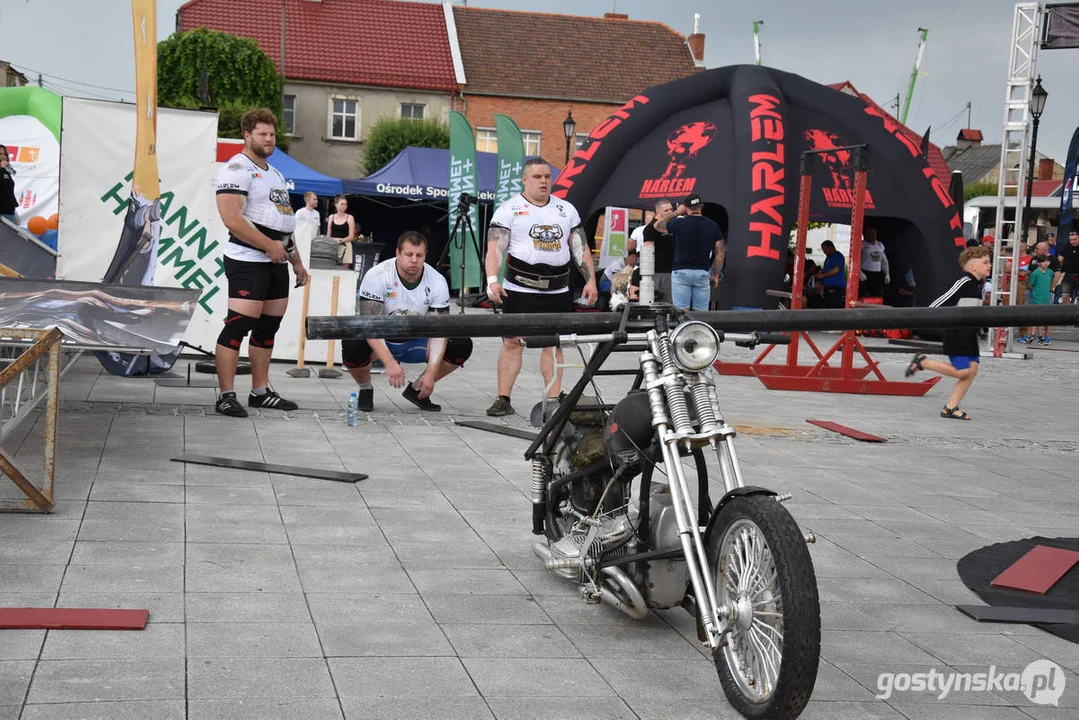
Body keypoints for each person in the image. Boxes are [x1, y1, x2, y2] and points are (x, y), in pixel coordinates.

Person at [484, 157, 598, 417]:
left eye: (547, 176)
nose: (544, 181)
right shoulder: (509, 209)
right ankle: (503, 398)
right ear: (524, 180)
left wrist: (590, 280)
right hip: (520, 288)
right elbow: (495, 248)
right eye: (537, 177)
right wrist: (492, 280)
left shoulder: (566, 209)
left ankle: (553, 398)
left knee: (554, 344)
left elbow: (579, 246)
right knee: (513, 342)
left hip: (558, 289)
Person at [213, 108, 308, 418]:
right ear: (247, 135)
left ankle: (260, 391)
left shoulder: (275, 173)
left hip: (277, 261)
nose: (269, 139)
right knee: (237, 327)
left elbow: (283, 223)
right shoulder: (236, 168)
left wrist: (297, 263)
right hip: (247, 259)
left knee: (268, 329)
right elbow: (231, 218)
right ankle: (226, 395)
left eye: (272, 134)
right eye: (263, 134)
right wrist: (268, 246)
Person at [342, 231, 472, 412]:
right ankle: (365, 389)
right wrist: (388, 362)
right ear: (398, 254)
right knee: (351, 345)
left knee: (461, 344)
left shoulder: (437, 281)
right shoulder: (378, 275)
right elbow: (369, 326)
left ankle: (418, 390)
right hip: (382, 341)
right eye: (409, 254)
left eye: (419, 255)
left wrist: (431, 374)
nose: (414, 260)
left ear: (425, 255)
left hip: (415, 343)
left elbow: (439, 332)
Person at [905, 245, 992, 421]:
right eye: (985, 262)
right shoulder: (964, 282)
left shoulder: (979, 285)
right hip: (957, 335)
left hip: (969, 335)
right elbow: (939, 303)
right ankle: (924, 362)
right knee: (962, 372)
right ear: (972, 266)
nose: (989, 265)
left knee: (972, 370)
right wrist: (923, 318)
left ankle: (950, 408)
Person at [655, 194, 724, 311]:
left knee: (681, 312)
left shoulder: (678, 223)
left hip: (681, 271)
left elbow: (657, 225)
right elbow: (720, 254)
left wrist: (677, 212)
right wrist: (715, 275)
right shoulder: (713, 226)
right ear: (700, 207)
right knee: (701, 313)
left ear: (686, 207)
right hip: (702, 272)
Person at [638, 199, 676, 301]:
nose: (669, 212)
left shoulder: (671, 226)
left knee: (669, 304)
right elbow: (648, 253)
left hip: (671, 272)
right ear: (658, 212)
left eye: (671, 209)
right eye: (666, 210)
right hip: (656, 273)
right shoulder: (650, 228)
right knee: (657, 304)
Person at [1026, 253, 1056, 345]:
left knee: (1043, 318)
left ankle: (1040, 336)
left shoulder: (1050, 272)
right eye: (1044, 262)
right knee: (1036, 317)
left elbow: (1051, 281)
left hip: (1046, 297)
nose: (1046, 264)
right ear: (1039, 263)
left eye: (1047, 261)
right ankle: (1031, 335)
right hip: (1037, 298)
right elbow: (1031, 285)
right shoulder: (1035, 273)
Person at [859, 227, 890, 298]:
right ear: (866, 234)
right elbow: (856, 259)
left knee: (877, 295)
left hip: (877, 274)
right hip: (865, 273)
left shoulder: (880, 245)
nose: (872, 235)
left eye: (874, 233)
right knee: (863, 295)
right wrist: (860, 272)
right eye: (870, 233)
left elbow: (884, 261)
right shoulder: (862, 244)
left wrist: (887, 274)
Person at [815, 240, 847, 309]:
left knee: (833, 306)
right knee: (827, 305)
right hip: (827, 285)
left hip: (835, 285)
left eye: (825, 249)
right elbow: (827, 269)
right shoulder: (828, 258)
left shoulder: (838, 256)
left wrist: (823, 275)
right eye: (823, 250)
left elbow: (836, 270)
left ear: (831, 247)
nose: (824, 251)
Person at [1058, 228, 1079, 305]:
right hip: (1068, 275)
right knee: (1064, 297)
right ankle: (1069, 314)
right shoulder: (1066, 247)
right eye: (1071, 240)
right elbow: (1060, 259)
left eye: (1075, 239)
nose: (1072, 241)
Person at [0, 144, 17, 224]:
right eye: (0, 154)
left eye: (5, 154)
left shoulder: (6, 172)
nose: (3, 157)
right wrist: (2, 169)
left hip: (9, 212)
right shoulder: (2, 171)